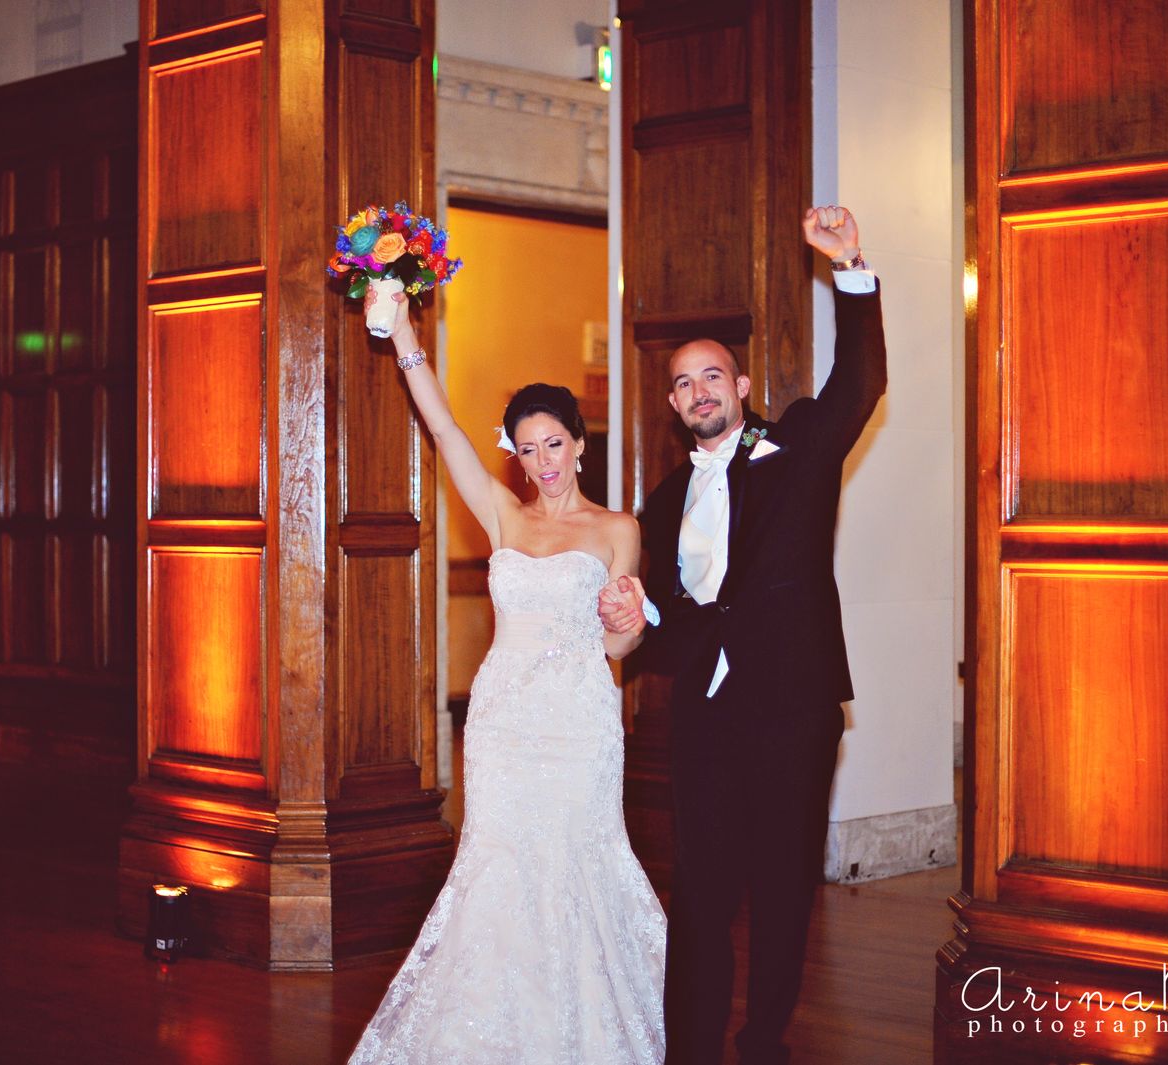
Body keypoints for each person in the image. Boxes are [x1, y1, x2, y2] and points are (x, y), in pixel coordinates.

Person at [599, 205, 886, 1065]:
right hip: (706, 717)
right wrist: (638, 616)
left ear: (743, 384)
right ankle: (690, 1050)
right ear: (674, 402)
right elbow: (667, 614)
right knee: (699, 893)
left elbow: (860, 383)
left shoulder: (800, 450)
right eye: (684, 383)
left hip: (794, 711)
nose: (700, 392)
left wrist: (850, 268)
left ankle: (764, 1043)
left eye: (712, 376)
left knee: (784, 889)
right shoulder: (661, 502)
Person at [347, 294, 666, 1064]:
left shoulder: (617, 528)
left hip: (580, 727)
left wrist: (629, 618)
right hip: (502, 726)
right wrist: (405, 332)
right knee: (497, 869)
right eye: (528, 449)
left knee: (573, 867)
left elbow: (618, 645)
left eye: (554, 443)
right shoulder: (503, 516)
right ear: (515, 456)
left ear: (578, 443)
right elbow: (443, 429)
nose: (543, 460)